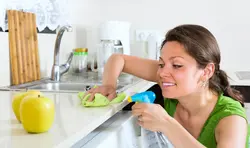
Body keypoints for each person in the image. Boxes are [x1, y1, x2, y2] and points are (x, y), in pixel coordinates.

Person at [85, 24, 248, 148]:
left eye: (177, 65)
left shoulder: (231, 119)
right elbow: (118, 59)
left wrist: (166, 123)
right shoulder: (171, 80)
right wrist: (108, 85)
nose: (162, 73)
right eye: (162, 64)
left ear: (206, 71)